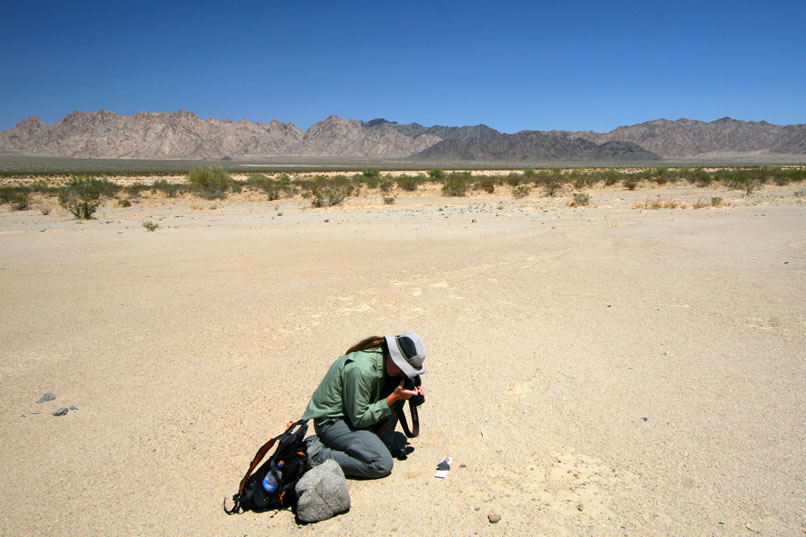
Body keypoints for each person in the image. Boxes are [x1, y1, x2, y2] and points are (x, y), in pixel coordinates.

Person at [301, 331, 427, 479]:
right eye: (404, 369)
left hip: (352, 415)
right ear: (394, 357)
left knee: (396, 391)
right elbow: (359, 419)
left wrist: (414, 397)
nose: (404, 374)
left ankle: (364, 446)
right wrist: (393, 398)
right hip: (332, 421)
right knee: (381, 464)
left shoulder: (386, 363)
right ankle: (316, 454)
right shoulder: (362, 369)